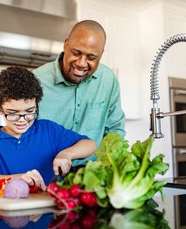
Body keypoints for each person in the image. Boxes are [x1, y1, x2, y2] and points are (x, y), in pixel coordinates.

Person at [0, 66, 96, 192]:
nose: (22, 120)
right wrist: (20, 179)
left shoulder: (48, 130)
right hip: (8, 209)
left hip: (51, 209)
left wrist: (66, 154)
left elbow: (90, 144)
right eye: (13, 113)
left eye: (30, 111)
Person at [33, 19, 126, 169]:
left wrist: (106, 169)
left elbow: (115, 130)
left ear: (101, 55)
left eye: (91, 57)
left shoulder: (108, 80)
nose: (82, 63)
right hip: (47, 172)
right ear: (66, 44)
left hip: (93, 173)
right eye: (76, 53)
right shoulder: (37, 80)